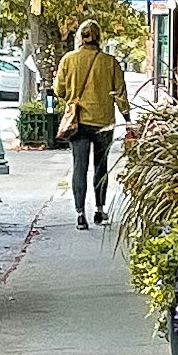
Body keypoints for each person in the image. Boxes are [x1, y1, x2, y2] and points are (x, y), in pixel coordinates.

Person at [53, 19, 131, 226]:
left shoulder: (68, 60)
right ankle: (99, 210)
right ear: (99, 37)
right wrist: (127, 119)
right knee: (100, 166)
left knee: (79, 166)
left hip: (78, 122)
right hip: (103, 122)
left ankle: (80, 215)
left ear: (80, 36)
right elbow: (120, 94)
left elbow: (59, 91)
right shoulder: (110, 62)